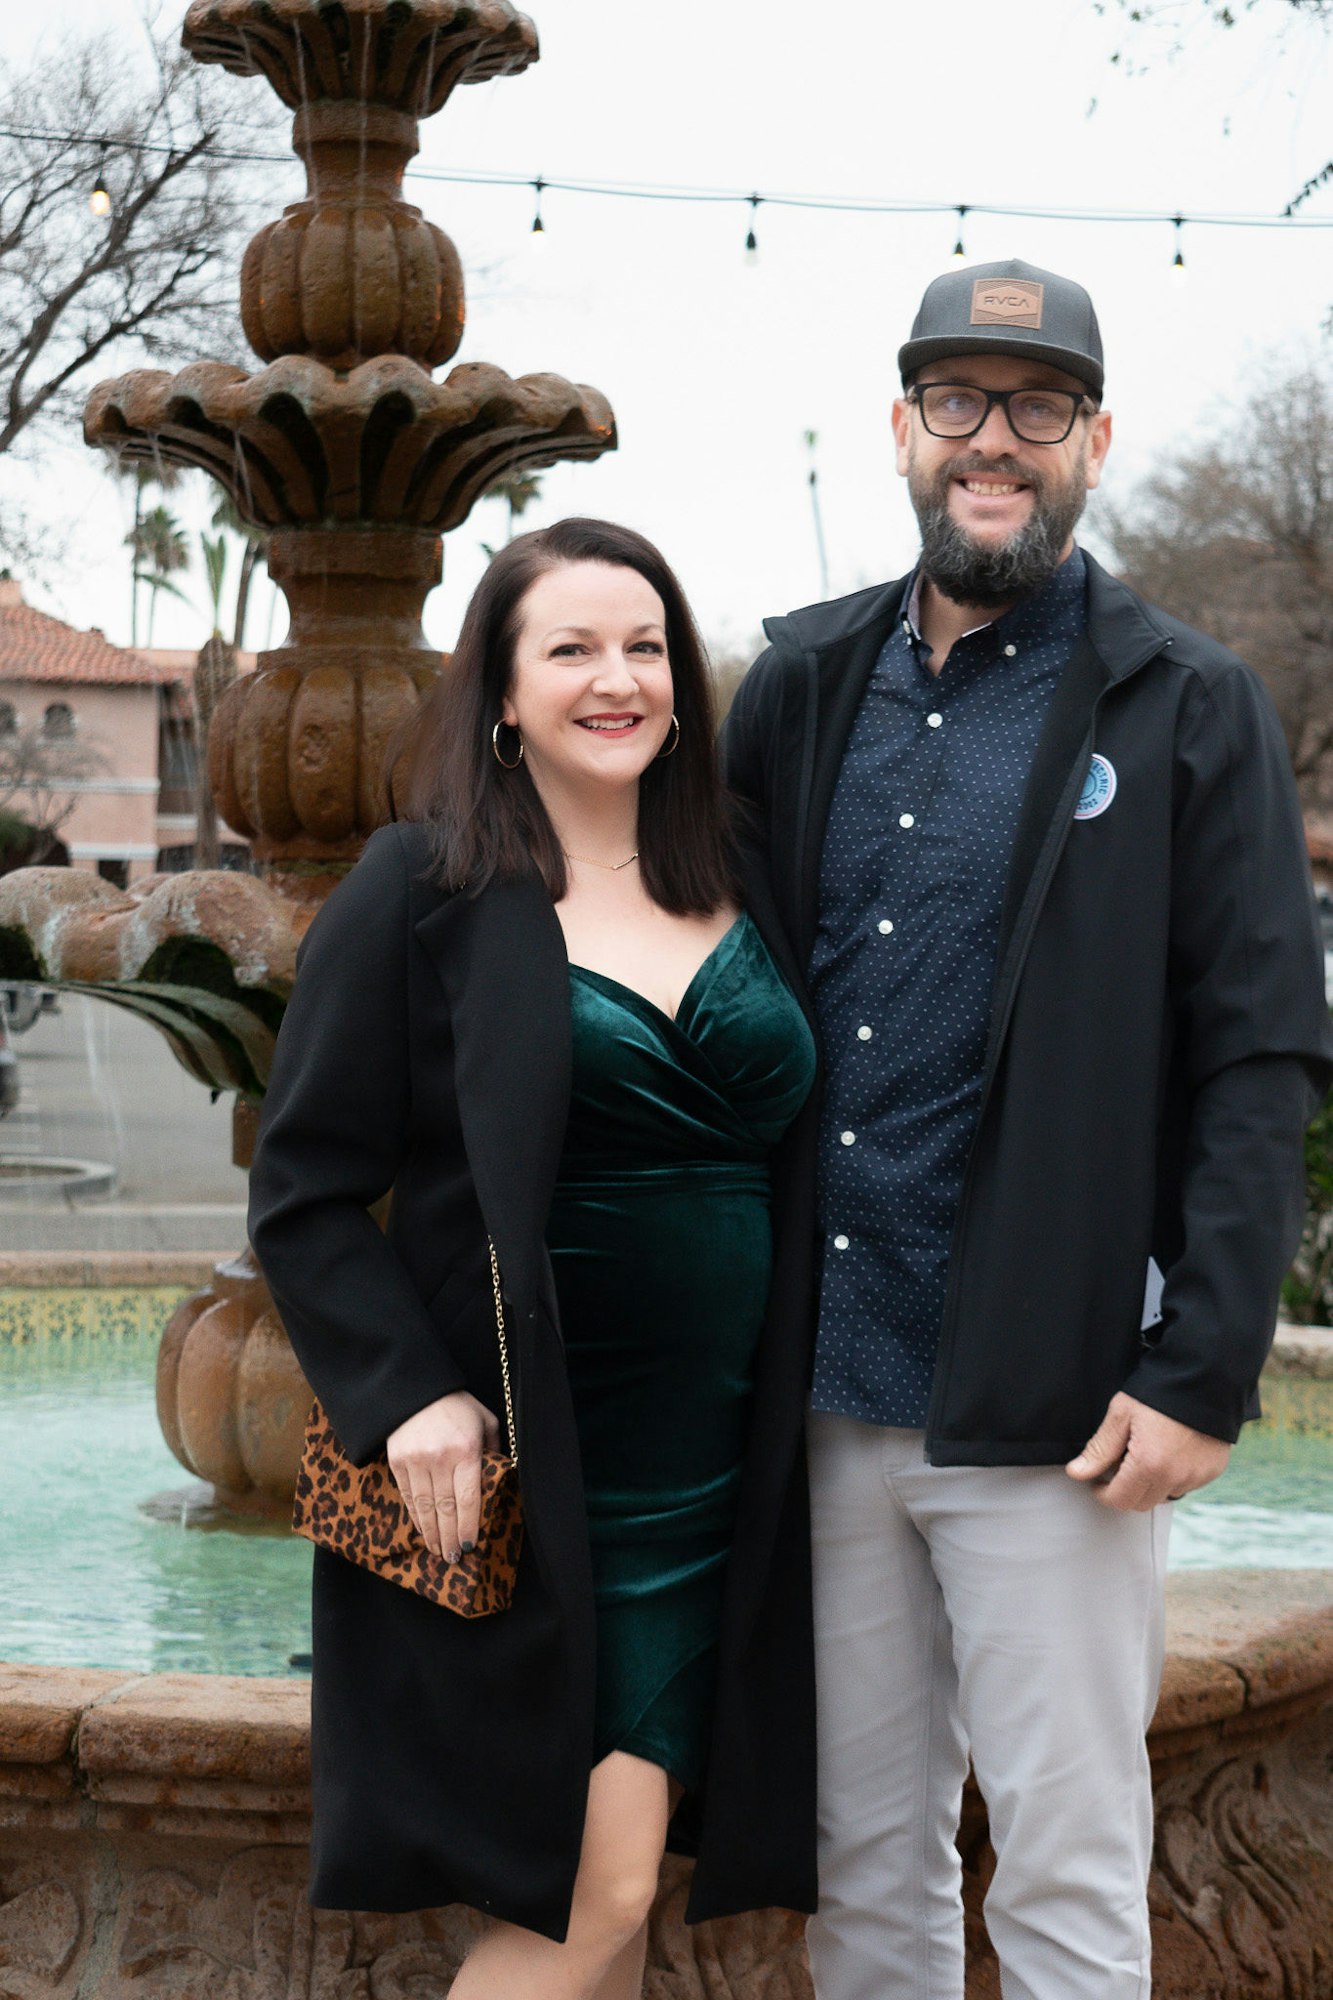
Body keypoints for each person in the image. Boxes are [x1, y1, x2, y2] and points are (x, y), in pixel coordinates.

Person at [721, 259, 1333, 1999]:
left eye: (1038, 406)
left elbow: (1258, 1054)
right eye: (959, 403)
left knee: (1063, 1879)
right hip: (824, 1387)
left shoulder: (1185, 702)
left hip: (1056, 1403)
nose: (996, 440)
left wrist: (1200, 1366)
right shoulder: (799, 686)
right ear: (905, 430)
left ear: (1093, 440)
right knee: (866, 1875)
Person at [248, 517, 819, 1999]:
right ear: (501, 692)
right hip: (543, 1460)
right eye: (569, 649)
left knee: (613, 1897)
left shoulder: (746, 864)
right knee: (600, 1884)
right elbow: (304, 1188)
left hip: (736, 1458)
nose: (614, 678)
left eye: (642, 647)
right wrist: (407, 1394)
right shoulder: (419, 888)